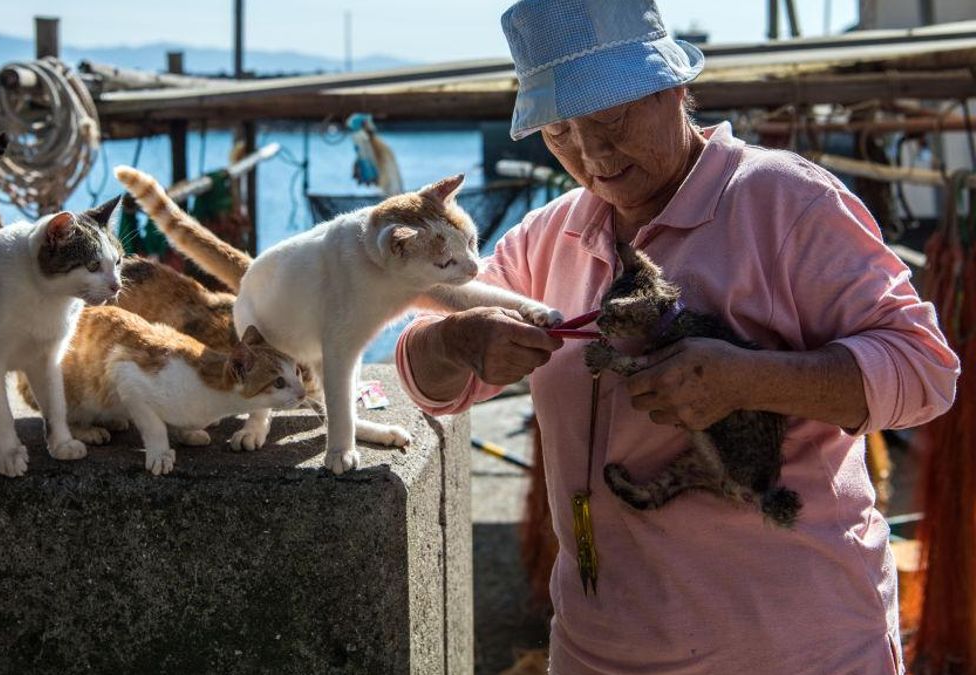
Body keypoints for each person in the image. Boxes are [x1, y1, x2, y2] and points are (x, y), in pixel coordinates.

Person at [395, 1, 960, 672]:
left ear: (674, 87)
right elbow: (423, 379)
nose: (592, 155)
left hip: (797, 649)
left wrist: (746, 378)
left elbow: (926, 372)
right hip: (596, 648)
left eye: (610, 118)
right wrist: (458, 341)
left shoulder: (788, 203)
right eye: (560, 132)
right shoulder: (546, 240)